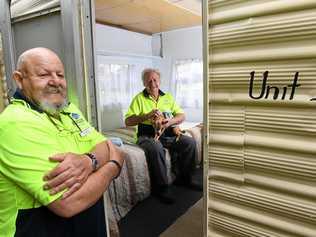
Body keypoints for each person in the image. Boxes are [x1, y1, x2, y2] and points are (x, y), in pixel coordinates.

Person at [0, 47, 124, 237]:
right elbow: (69, 202)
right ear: (19, 79)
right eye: (43, 74)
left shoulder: (68, 109)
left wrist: (88, 160)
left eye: (60, 75)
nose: (56, 81)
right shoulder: (14, 123)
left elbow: (103, 143)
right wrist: (113, 165)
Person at [125, 68, 201, 204]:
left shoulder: (168, 97)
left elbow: (181, 116)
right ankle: (161, 188)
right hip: (147, 135)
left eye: (155, 79)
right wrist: (147, 115)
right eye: (149, 80)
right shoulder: (138, 99)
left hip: (167, 132)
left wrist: (170, 121)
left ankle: (185, 179)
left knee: (189, 143)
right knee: (155, 147)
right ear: (144, 83)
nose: (152, 83)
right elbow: (128, 121)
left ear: (159, 81)